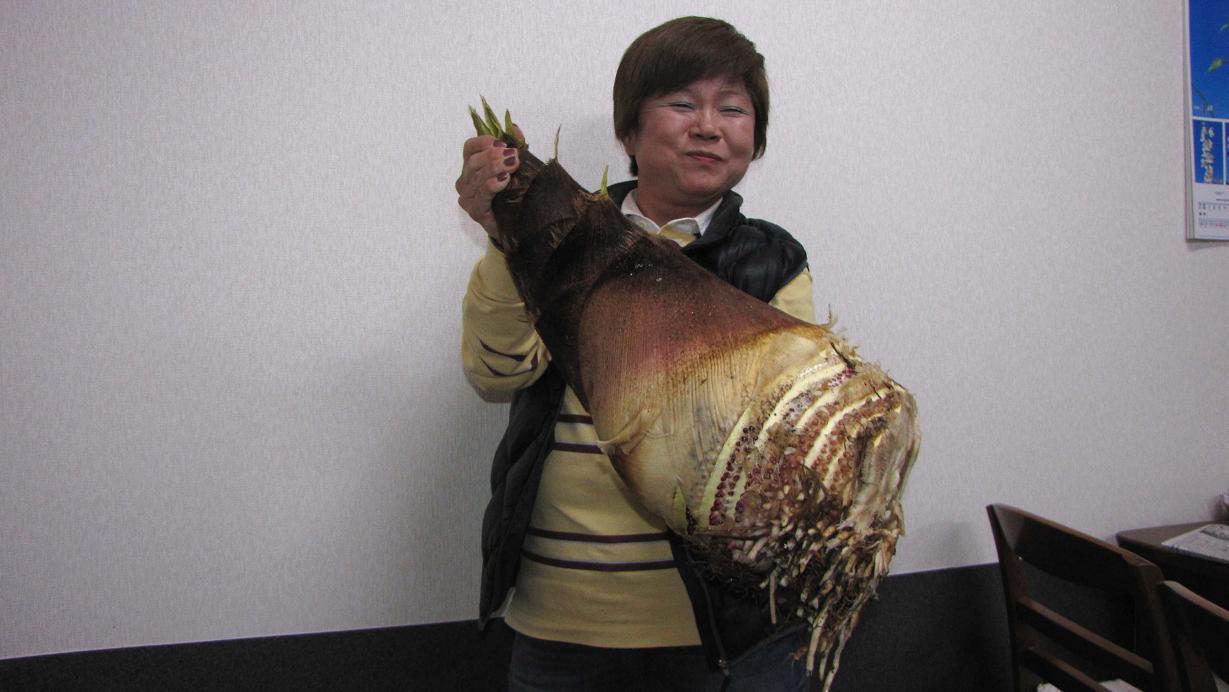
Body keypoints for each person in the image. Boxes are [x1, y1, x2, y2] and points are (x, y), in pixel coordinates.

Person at [456, 16, 818, 691]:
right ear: (628, 132)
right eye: (681, 103)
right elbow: (497, 370)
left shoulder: (772, 261)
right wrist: (513, 234)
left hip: (726, 629)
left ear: (756, 137)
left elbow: (778, 429)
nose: (707, 127)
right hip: (565, 616)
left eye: (732, 108)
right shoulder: (561, 237)